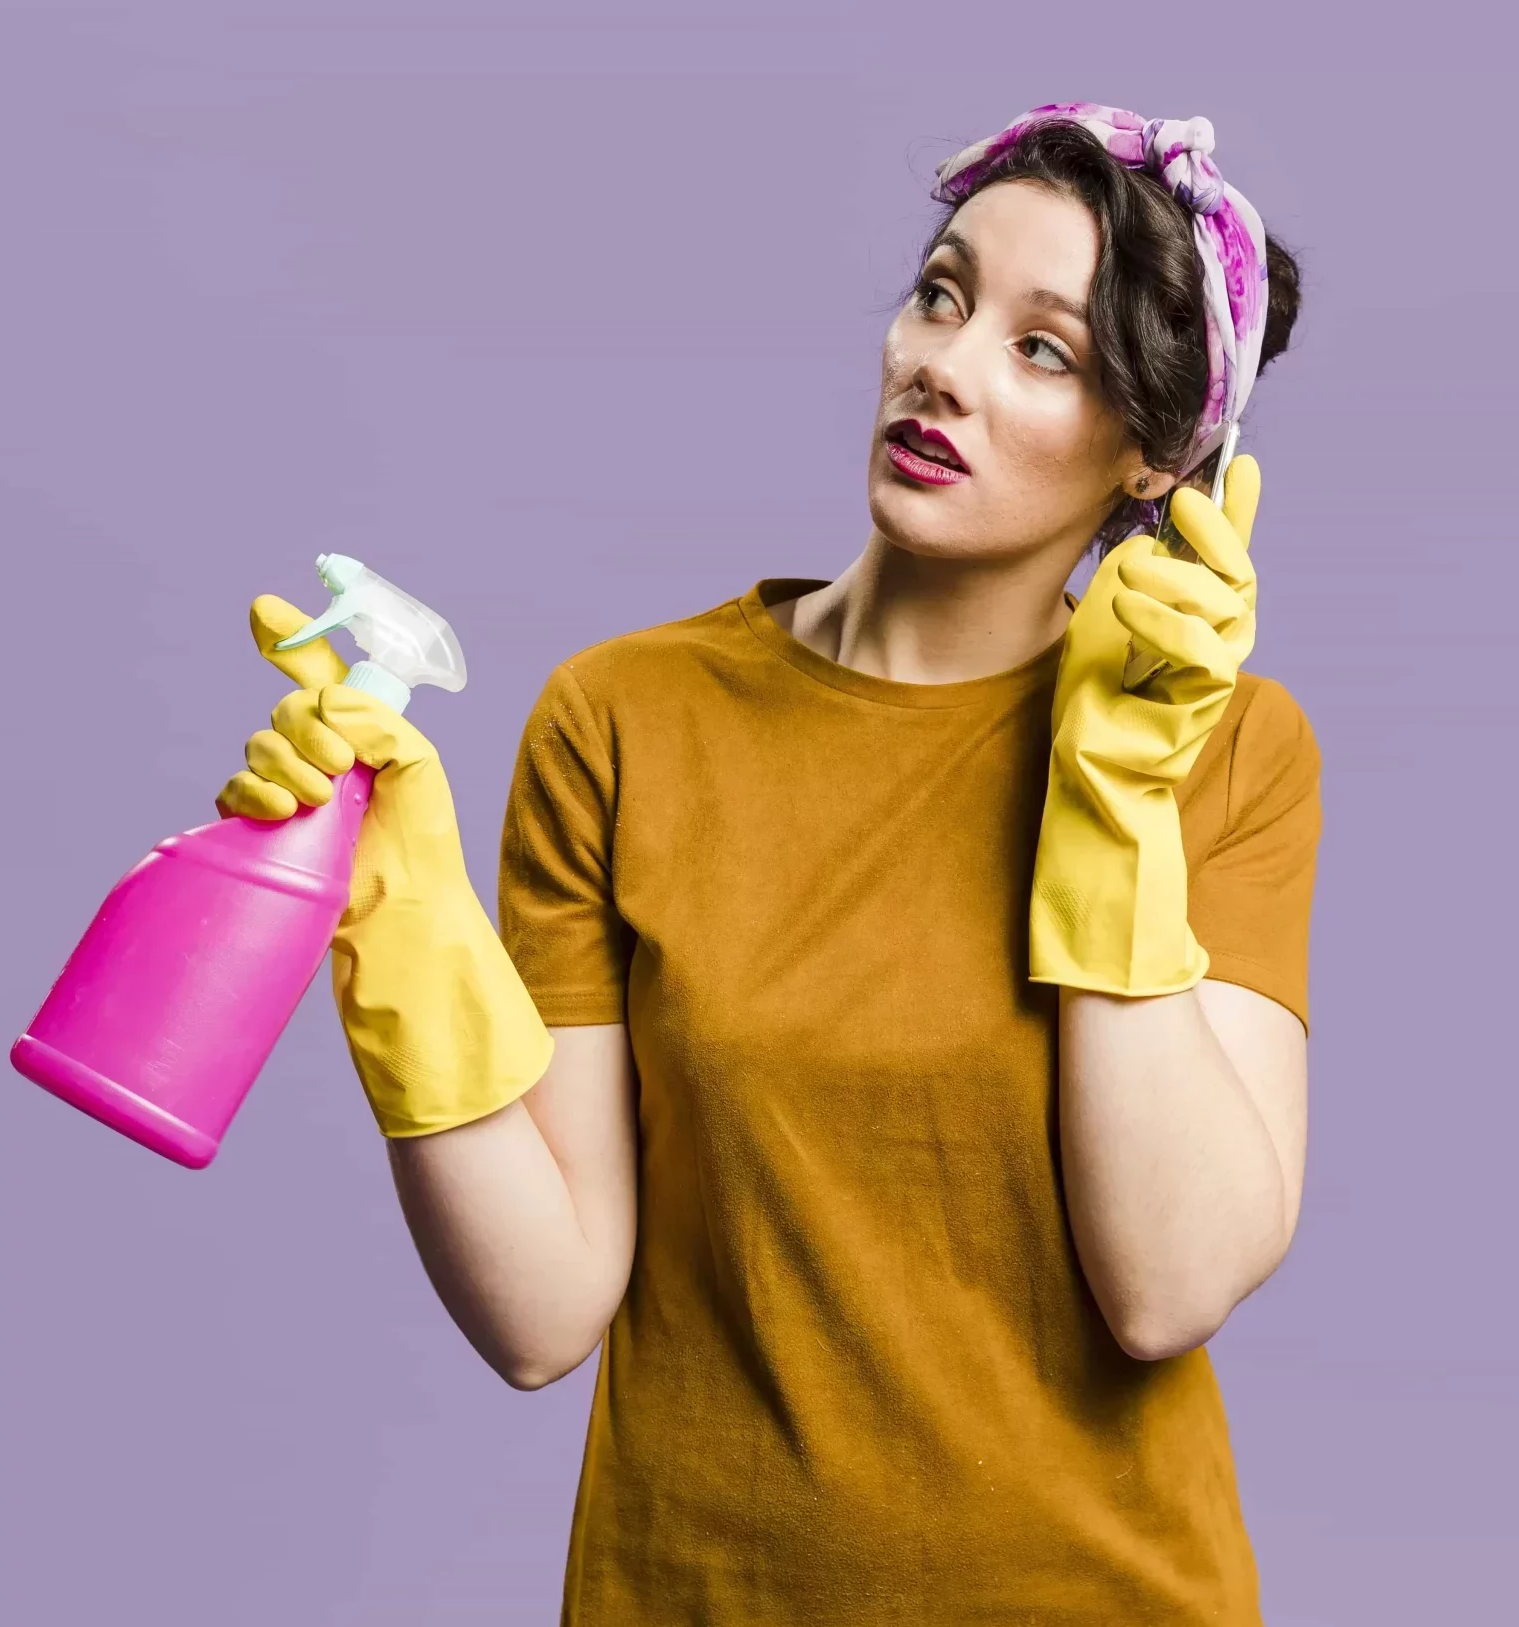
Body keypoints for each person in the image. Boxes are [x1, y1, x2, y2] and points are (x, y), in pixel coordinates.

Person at [219, 103, 1320, 1627]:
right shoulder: (625, 718)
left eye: (1042, 350)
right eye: (940, 292)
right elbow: (542, 1312)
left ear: (1151, 456)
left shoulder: (1228, 750)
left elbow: (1164, 1283)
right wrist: (400, 923)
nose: (943, 362)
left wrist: (1113, 804)